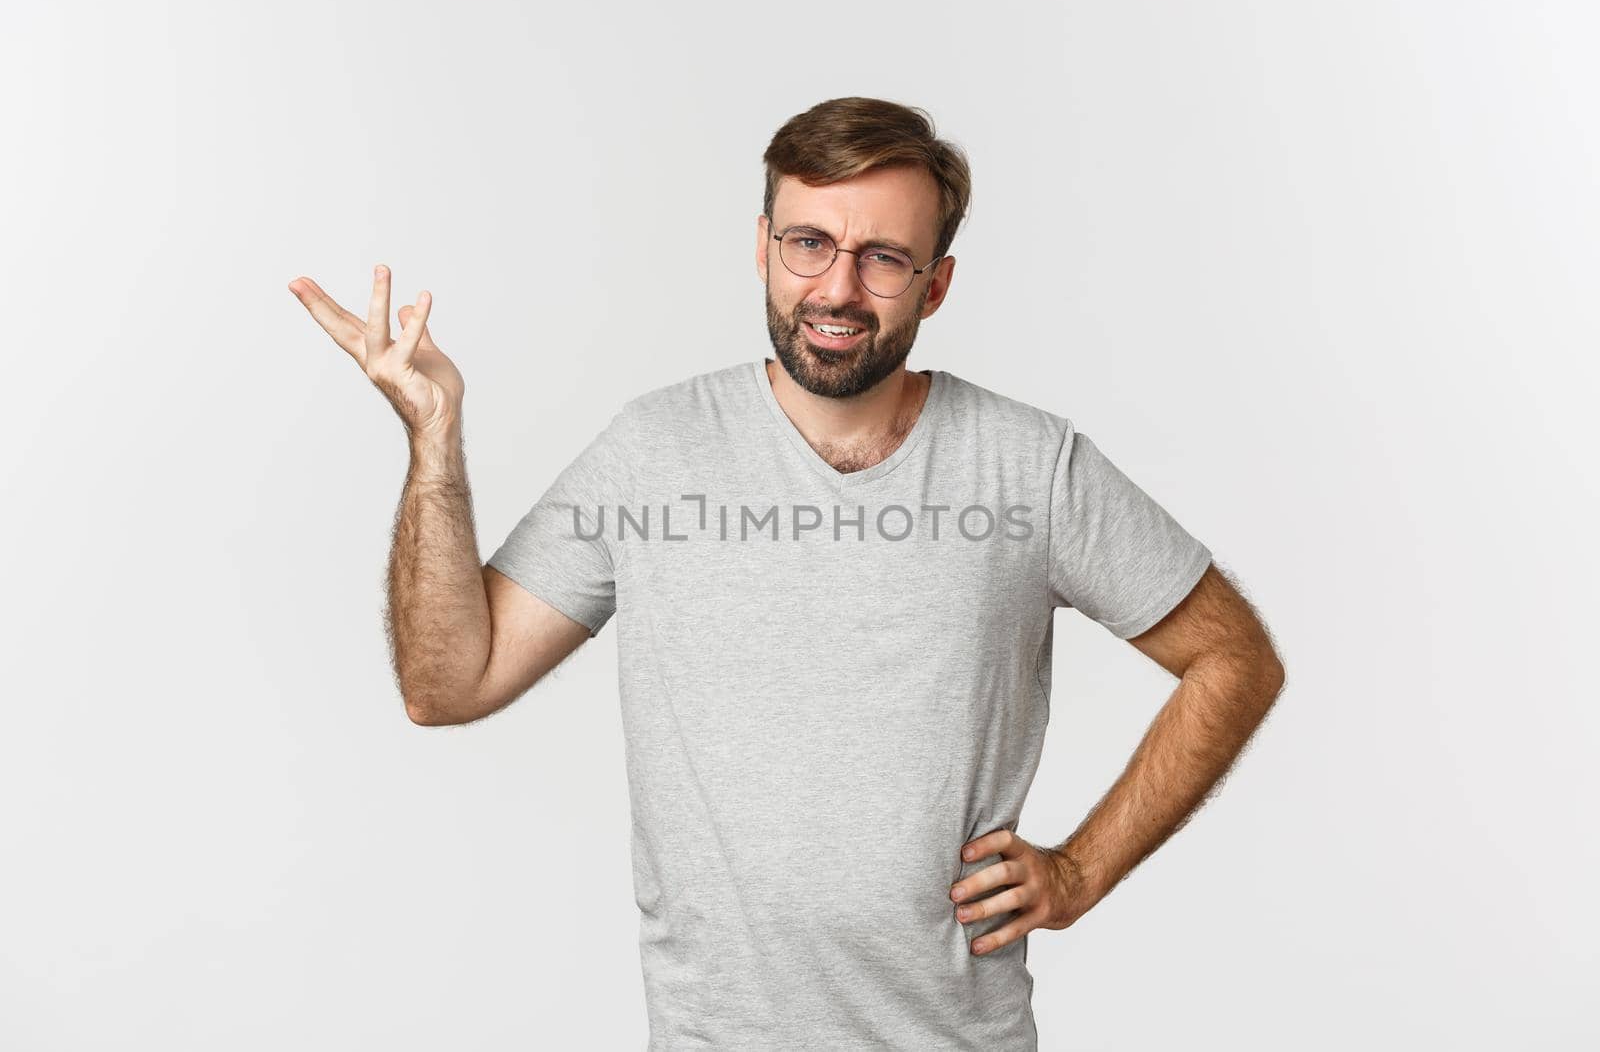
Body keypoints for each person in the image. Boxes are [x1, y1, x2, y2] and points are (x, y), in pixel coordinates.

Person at [288, 96, 1286, 1050]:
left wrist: (1080, 868)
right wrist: (434, 439)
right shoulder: (654, 452)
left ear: (935, 284)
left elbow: (1232, 658)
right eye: (808, 243)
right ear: (763, 246)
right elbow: (447, 681)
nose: (837, 288)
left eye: (883, 257)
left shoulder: (1030, 466)